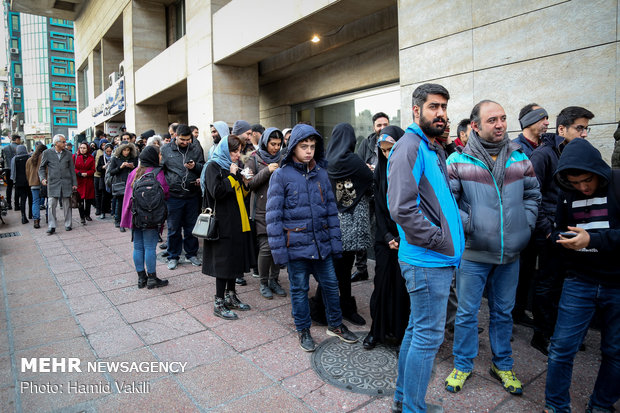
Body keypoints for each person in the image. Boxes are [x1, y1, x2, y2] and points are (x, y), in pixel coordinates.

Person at [445, 100, 540, 396]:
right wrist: (471, 224)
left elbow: (533, 195)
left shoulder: (519, 157)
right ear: (475, 126)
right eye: (491, 120)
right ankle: (462, 363)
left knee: (503, 312)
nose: (500, 125)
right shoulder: (458, 161)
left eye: (503, 118)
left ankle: (502, 364)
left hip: (510, 254)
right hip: (474, 252)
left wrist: (524, 225)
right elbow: (447, 205)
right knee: (466, 313)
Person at [387, 84, 464, 413]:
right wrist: (440, 240)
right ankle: (413, 408)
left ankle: (404, 400)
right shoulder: (409, 147)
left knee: (418, 330)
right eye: (434, 107)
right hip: (427, 261)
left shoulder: (431, 147)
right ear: (416, 110)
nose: (442, 114)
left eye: (444, 107)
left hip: (433, 260)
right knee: (427, 337)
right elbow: (402, 209)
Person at [542, 138, 620, 413]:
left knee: (614, 352)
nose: (583, 188)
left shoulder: (618, 183)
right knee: (562, 348)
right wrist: (558, 239)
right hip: (579, 281)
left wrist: (593, 240)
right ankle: (555, 406)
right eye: (575, 183)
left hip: (616, 282)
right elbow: (561, 228)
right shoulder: (567, 193)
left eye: (586, 180)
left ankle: (600, 406)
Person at [266, 124, 358, 352]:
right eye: (304, 146)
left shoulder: (322, 174)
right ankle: (303, 329)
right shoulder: (280, 176)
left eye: (312, 146)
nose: (309, 151)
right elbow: (273, 217)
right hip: (296, 248)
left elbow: (331, 213)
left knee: (330, 285)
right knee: (298, 290)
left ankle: (335, 325)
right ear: (293, 148)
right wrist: (279, 252)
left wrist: (336, 244)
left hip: (322, 247)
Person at [529, 106, 595, 355]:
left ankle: (560, 333)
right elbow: (532, 196)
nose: (584, 133)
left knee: (565, 285)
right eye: (580, 128)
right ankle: (541, 335)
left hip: (573, 234)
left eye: (586, 128)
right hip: (550, 234)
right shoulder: (544, 155)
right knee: (547, 284)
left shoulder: (580, 154)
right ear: (561, 129)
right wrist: (547, 230)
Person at [310, 123, 372, 326]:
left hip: (332, 221)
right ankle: (321, 308)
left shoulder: (325, 162)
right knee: (340, 269)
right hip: (351, 223)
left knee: (339, 268)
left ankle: (338, 306)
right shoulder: (352, 159)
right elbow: (369, 178)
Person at [363, 125, 409, 350]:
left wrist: (400, 236)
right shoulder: (380, 171)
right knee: (380, 285)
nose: (387, 155)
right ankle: (377, 331)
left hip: (408, 239)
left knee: (402, 289)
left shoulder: (410, 170)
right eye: (383, 150)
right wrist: (388, 235)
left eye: (392, 149)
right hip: (384, 238)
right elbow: (379, 208)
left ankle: (401, 336)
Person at [202, 135, 254, 320]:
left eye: (239, 151)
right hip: (222, 224)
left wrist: (245, 182)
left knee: (234, 260)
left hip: (237, 221)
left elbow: (240, 194)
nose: (237, 155)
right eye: (234, 151)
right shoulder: (213, 166)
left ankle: (231, 296)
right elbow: (216, 192)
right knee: (223, 263)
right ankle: (219, 301)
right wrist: (232, 176)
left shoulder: (232, 167)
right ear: (225, 150)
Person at [511, 104, 552, 329]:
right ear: (528, 121)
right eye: (542, 118)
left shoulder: (548, 146)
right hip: (524, 222)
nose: (547, 122)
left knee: (532, 270)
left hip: (542, 218)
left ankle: (521, 311)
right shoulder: (517, 149)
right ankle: (513, 311)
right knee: (520, 268)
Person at [121, 145, 170, 289]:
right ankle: (152, 278)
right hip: (151, 216)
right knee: (150, 246)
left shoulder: (134, 172)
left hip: (135, 215)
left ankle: (141, 278)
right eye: (159, 154)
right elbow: (166, 192)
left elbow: (127, 196)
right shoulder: (157, 173)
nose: (160, 156)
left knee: (137, 246)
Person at [246, 127, 287, 300]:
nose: (276, 148)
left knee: (278, 246)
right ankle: (263, 282)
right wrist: (267, 171)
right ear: (265, 142)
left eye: (279, 144)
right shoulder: (254, 158)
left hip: (280, 208)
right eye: (272, 144)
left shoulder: (284, 158)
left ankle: (274, 280)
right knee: (266, 248)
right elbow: (249, 184)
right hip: (261, 209)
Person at [161, 124, 204, 269]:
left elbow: (204, 166)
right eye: (182, 139)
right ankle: (173, 255)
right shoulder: (165, 150)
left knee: (191, 227)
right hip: (173, 195)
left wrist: (196, 168)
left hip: (192, 194)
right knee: (173, 227)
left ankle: (191, 254)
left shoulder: (196, 148)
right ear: (175, 136)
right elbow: (161, 170)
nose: (185, 142)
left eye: (188, 139)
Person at [353, 112, 390, 282]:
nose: (382, 128)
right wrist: (367, 169)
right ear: (374, 127)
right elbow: (358, 166)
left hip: (386, 193)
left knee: (386, 229)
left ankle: (388, 266)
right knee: (363, 230)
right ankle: (361, 268)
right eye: (379, 125)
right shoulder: (366, 144)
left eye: (385, 124)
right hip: (368, 193)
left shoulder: (395, 141)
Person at [38, 134, 78, 235]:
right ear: (56, 143)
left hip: (66, 182)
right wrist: (43, 178)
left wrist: (74, 183)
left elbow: (72, 170)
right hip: (52, 183)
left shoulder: (68, 154)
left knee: (67, 205)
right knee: (51, 205)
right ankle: (52, 226)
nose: (65, 144)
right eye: (63, 142)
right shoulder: (47, 153)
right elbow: (41, 168)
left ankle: (68, 224)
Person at [108, 141, 138, 232]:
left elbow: (137, 169)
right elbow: (111, 172)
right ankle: (119, 221)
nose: (126, 152)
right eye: (124, 150)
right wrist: (120, 167)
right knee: (120, 203)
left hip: (131, 183)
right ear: (120, 150)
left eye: (128, 150)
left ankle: (129, 220)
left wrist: (132, 167)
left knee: (131, 202)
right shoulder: (115, 159)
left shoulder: (133, 158)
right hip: (120, 183)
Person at [74, 142, 96, 225]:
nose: (82, 150)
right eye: (81, 148)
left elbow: (93, 169)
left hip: (88, 180)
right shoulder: (75, 157)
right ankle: (82, 217)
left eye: (84, 148)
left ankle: (87, 214)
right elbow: (73, 167)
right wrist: (79, 173)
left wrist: (87, 173)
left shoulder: (91, 157)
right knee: (80, 200)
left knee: (88, 200)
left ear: (87, 149)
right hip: (79, 180)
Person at [26, 143, 46, 228]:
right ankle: (49, 217)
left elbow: (27, 173)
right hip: (44, 182)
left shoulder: (30, 160)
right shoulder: (44, 158)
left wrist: (30, 181)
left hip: (33, 183)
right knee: (49, 200)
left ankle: (36, 221)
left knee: (35, 202)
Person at [10, 145, 30, 224]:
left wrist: (14, 181)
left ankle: (23, 216)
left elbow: (13, 172)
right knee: (31, 199)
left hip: (19, 183)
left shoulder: (14, 159)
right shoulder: (29, 157)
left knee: (23, 200)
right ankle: (31, 215)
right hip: (28, 181)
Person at [2, 134, 21, 209]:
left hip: (7, 168)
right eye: (19, 140)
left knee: (9, 187)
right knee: (17, 186)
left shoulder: (5, 148)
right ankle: (16, 205)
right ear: (16, 139)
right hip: (16, 169)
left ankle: (9, 204)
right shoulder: (18, 148)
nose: (20, 141)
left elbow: (3, 159)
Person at [96, 143, 114, 219]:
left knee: (111, 195)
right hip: (103, 178)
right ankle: (102, 211)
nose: (109, 153)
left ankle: (109, 209)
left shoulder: (114, 158)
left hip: (112, 178)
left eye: (110, 151)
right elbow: (98, 168)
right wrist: (103, 167)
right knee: (103, 195)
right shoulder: (101, 157)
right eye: (107, 151)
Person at [93, 138, 109, 217]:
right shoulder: (96, 152)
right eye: (102, 145)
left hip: (105, 176)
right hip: (97, 175)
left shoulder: (110, 154)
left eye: (105, 144)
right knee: (98, 193)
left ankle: (105, 208)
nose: (104, 146)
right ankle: (98, 208)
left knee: (105, 193)